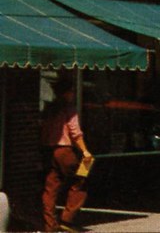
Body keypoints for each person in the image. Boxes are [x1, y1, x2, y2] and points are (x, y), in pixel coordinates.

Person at [40, 76, 91, 232]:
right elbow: (75, 133)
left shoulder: (49, 109)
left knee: (51, 188)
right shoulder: (69, 109)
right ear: (67, 92)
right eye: (72, 91)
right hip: (65, 151)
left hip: (49, 151)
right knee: (82, 177)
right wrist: (85, 151)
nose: (73, 94)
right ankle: (67, 220)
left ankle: (50, 226)